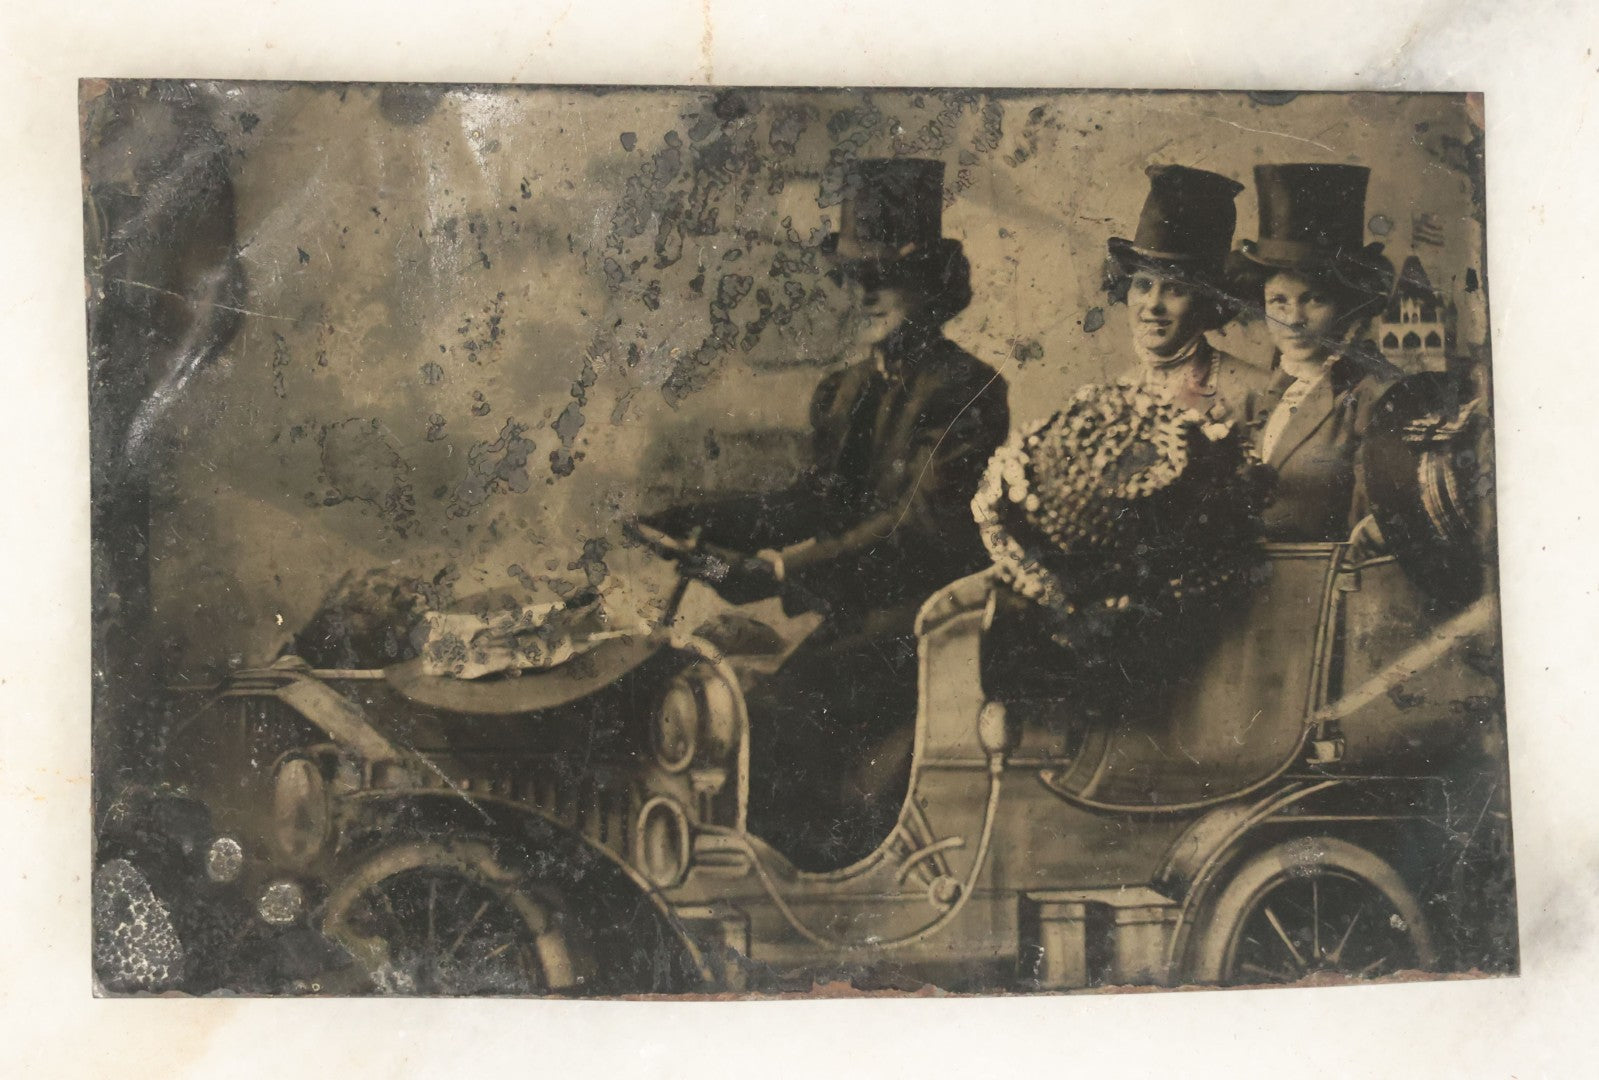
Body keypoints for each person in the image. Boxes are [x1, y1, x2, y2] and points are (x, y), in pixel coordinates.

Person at [643, 158, 1010, 869]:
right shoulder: (843, 389)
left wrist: (774, 570)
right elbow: (813, 502)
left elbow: (920, 530)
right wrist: (700, 522)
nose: (865, 293)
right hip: (857, 625)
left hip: (928, 630)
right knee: (749, 714)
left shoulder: (967, 388)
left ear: (928, 285)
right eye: (852, 276)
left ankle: (805, 908)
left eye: (885, 276)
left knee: (777, 722)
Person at [1230, 163, 1401, 542]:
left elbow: (1367, 534)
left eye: (1314, 299)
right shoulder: (1261, 397)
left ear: (1347, 304)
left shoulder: (1371, 397)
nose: (1294, 320)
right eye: (1278, 301)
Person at [1104, 164, 1266, 422]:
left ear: (1208, 298)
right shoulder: (1117, 395)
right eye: (1144, 285)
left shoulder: (1253, 393)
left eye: (1176, 289)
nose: (1154, 304)